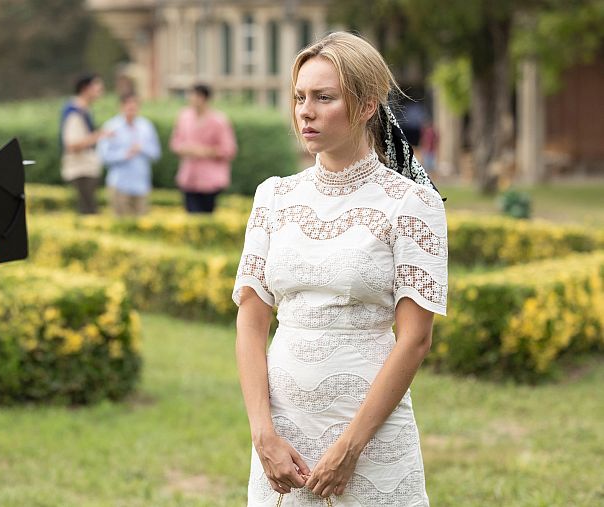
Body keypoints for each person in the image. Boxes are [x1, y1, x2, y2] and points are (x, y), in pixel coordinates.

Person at [234, 32, 447, 506]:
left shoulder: (412, 203)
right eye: (299, 98)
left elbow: (415, 338)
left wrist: (350, 448)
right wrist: (262, 434)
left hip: (370, 435)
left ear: (368, 104)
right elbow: (251, 317)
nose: (305, 111)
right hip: (280, 437)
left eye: (324, 98)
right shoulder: (273, 196)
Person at [169, 83, 237, 213]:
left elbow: (229, 149)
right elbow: (175, 143)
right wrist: (186, 149)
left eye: (194, 96)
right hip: (189, 177)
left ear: (203, 98)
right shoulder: (184, 117)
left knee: (206, 216)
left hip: (210, 180)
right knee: (190, 216)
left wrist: (205, 152)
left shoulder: (219, 121)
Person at [97, 92, 161, 217]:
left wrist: (142, 149)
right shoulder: (111, 127)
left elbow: (156, 154)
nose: (132, 110)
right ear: (121, 107)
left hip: (142, 185)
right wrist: (124, 155)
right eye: (129, 107)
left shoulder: (146, 126)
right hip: (120, 184)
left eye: (135, 106)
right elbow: (103, 156)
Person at [60, 73, 108, 214]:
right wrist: (97, 136)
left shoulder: (85, 110)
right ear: (85, 88)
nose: (100, 90)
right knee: (88, 211)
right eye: (96, 86)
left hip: (87, 167)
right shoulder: (74, 112)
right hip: (81, 169)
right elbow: (71, 145)